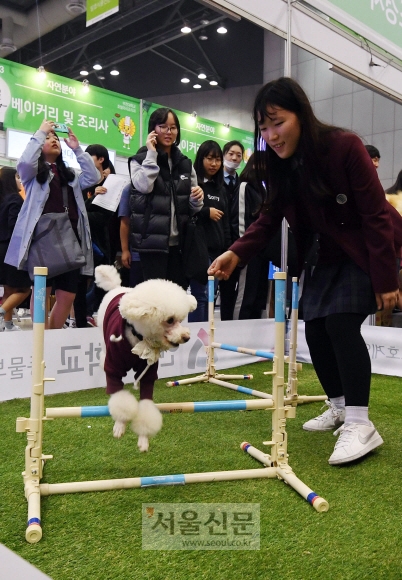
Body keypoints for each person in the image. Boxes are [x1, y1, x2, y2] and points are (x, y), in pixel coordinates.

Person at [208, 77, 402, 466]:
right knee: (314, 329)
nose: (272, 135)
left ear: (301, 114)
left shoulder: (344, 146)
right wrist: (236, 252)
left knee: (341, 326)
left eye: (277, 122)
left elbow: (376, 215)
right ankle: (340, 406)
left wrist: (386, 280)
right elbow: (269, 216)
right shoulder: (280, 165)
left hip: (362, 249)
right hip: (322, 255)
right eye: (264, 128)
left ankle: (361, 423)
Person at [5, 120, 99, 329]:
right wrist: (41, 132)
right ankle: (39, 341)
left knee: (67, 296)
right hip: (43, 240)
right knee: (41, 292)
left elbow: (94, 176)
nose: (53, 140)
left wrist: (76, 149)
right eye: (48, 138)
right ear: (40, 145)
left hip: (71, 238)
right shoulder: (33, 175)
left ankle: (52, 340)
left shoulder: (70, 175)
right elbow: (25, 163)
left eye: (55, 138)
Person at [129, 107, 203, 290]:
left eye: (173, 127)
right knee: (155, 298)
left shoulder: (185, 163)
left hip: (180, 243)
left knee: (176, 298)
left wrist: (197, 199)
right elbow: (144, 186)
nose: (169, 132)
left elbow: (193, 207)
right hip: (152, 242)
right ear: (153, 129)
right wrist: (151, 154)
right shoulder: (138, 160)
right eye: (163, 127)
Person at [230, 154, 297, 319]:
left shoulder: (266, 191)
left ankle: (256, 332)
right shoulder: (245, 187)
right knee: (246, 295)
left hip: (265, 252)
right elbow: (240, 219)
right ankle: (239, 330)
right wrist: (243, 249)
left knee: (260, 296)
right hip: (248, 253)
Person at [188, 140, 231, 322]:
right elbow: (186, 211)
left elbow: (226, 223)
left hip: (218, 251)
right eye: (209, 158)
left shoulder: (221, 189)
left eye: (218, 160)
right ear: (201, 159)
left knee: (211, 298)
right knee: (200, 296)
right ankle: (195, 339)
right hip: (198, 250)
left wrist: (229, 250)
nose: (214, 164)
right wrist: (206, 212)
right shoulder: (194, 185)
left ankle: (207, 339)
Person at [0, 167, 31, 331]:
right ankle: (2, 313)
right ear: (11, 180)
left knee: (8, 289)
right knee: (25, 288)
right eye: (17, 178)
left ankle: (7, 324)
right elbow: (15, 227)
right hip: (12, 249)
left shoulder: (2, 200)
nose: (20, 181)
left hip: (1, 249)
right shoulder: (15, 200)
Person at [219, 140, 245, 320]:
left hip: (235, 241)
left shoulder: (242, 182)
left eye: (238, 155)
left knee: (230, 289)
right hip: (217, 239)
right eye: (231, 154)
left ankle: (228, 324)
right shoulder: (215, 180)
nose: (234, 158)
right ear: (224, 155)